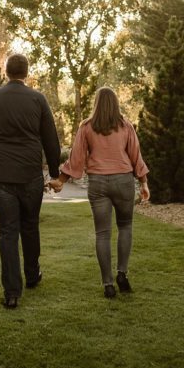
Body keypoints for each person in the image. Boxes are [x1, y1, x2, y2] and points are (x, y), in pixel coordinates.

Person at [0, 53, 61, 309]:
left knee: (8, 231)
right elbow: (50, 139)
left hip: (1, 175)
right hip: (30, 174)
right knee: (30, 225)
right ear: (26, 72)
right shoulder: (38, 99)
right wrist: (55, 173)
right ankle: (33, 275)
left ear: (6, 71)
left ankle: (12, 292)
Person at [49, 86, 150, 298]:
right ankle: (122, 273)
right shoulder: (125, 126)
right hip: (123, 181)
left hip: (98, 184)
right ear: (116, 103)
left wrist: (61, 180)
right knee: (125, 227)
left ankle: (108, 285)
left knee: (102, 233)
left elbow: (75, 159)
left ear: (96, 104)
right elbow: (136, 156)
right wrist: (144, 183)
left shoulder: (86, 126)